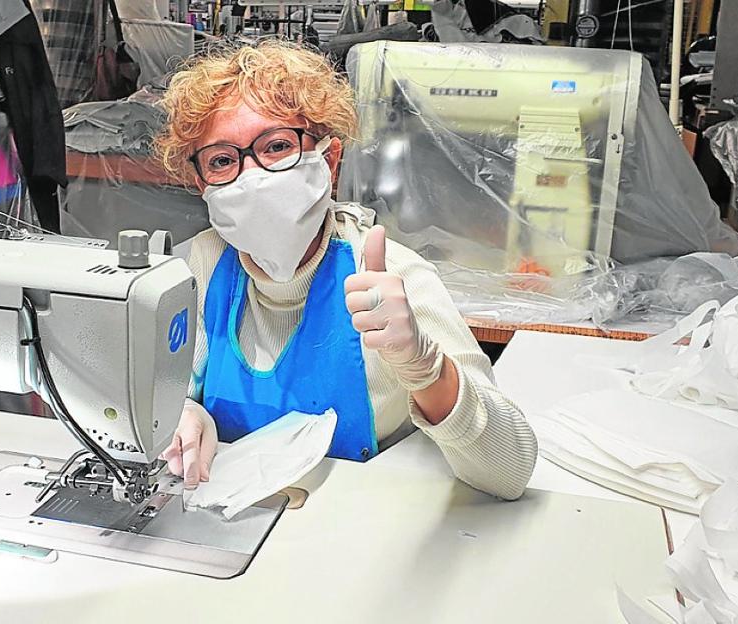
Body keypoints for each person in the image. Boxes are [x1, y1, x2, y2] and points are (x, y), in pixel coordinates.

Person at [154, 41, 536, 499]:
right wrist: (178, 412)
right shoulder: (202, 263)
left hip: (360, 522)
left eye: (277, 146)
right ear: (201, 182)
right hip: (235, 514)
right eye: (221, 160)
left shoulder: (393, 278)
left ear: (329, 160)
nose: (252, 176)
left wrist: (426, 369)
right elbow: (154, 390)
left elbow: (510, 471)